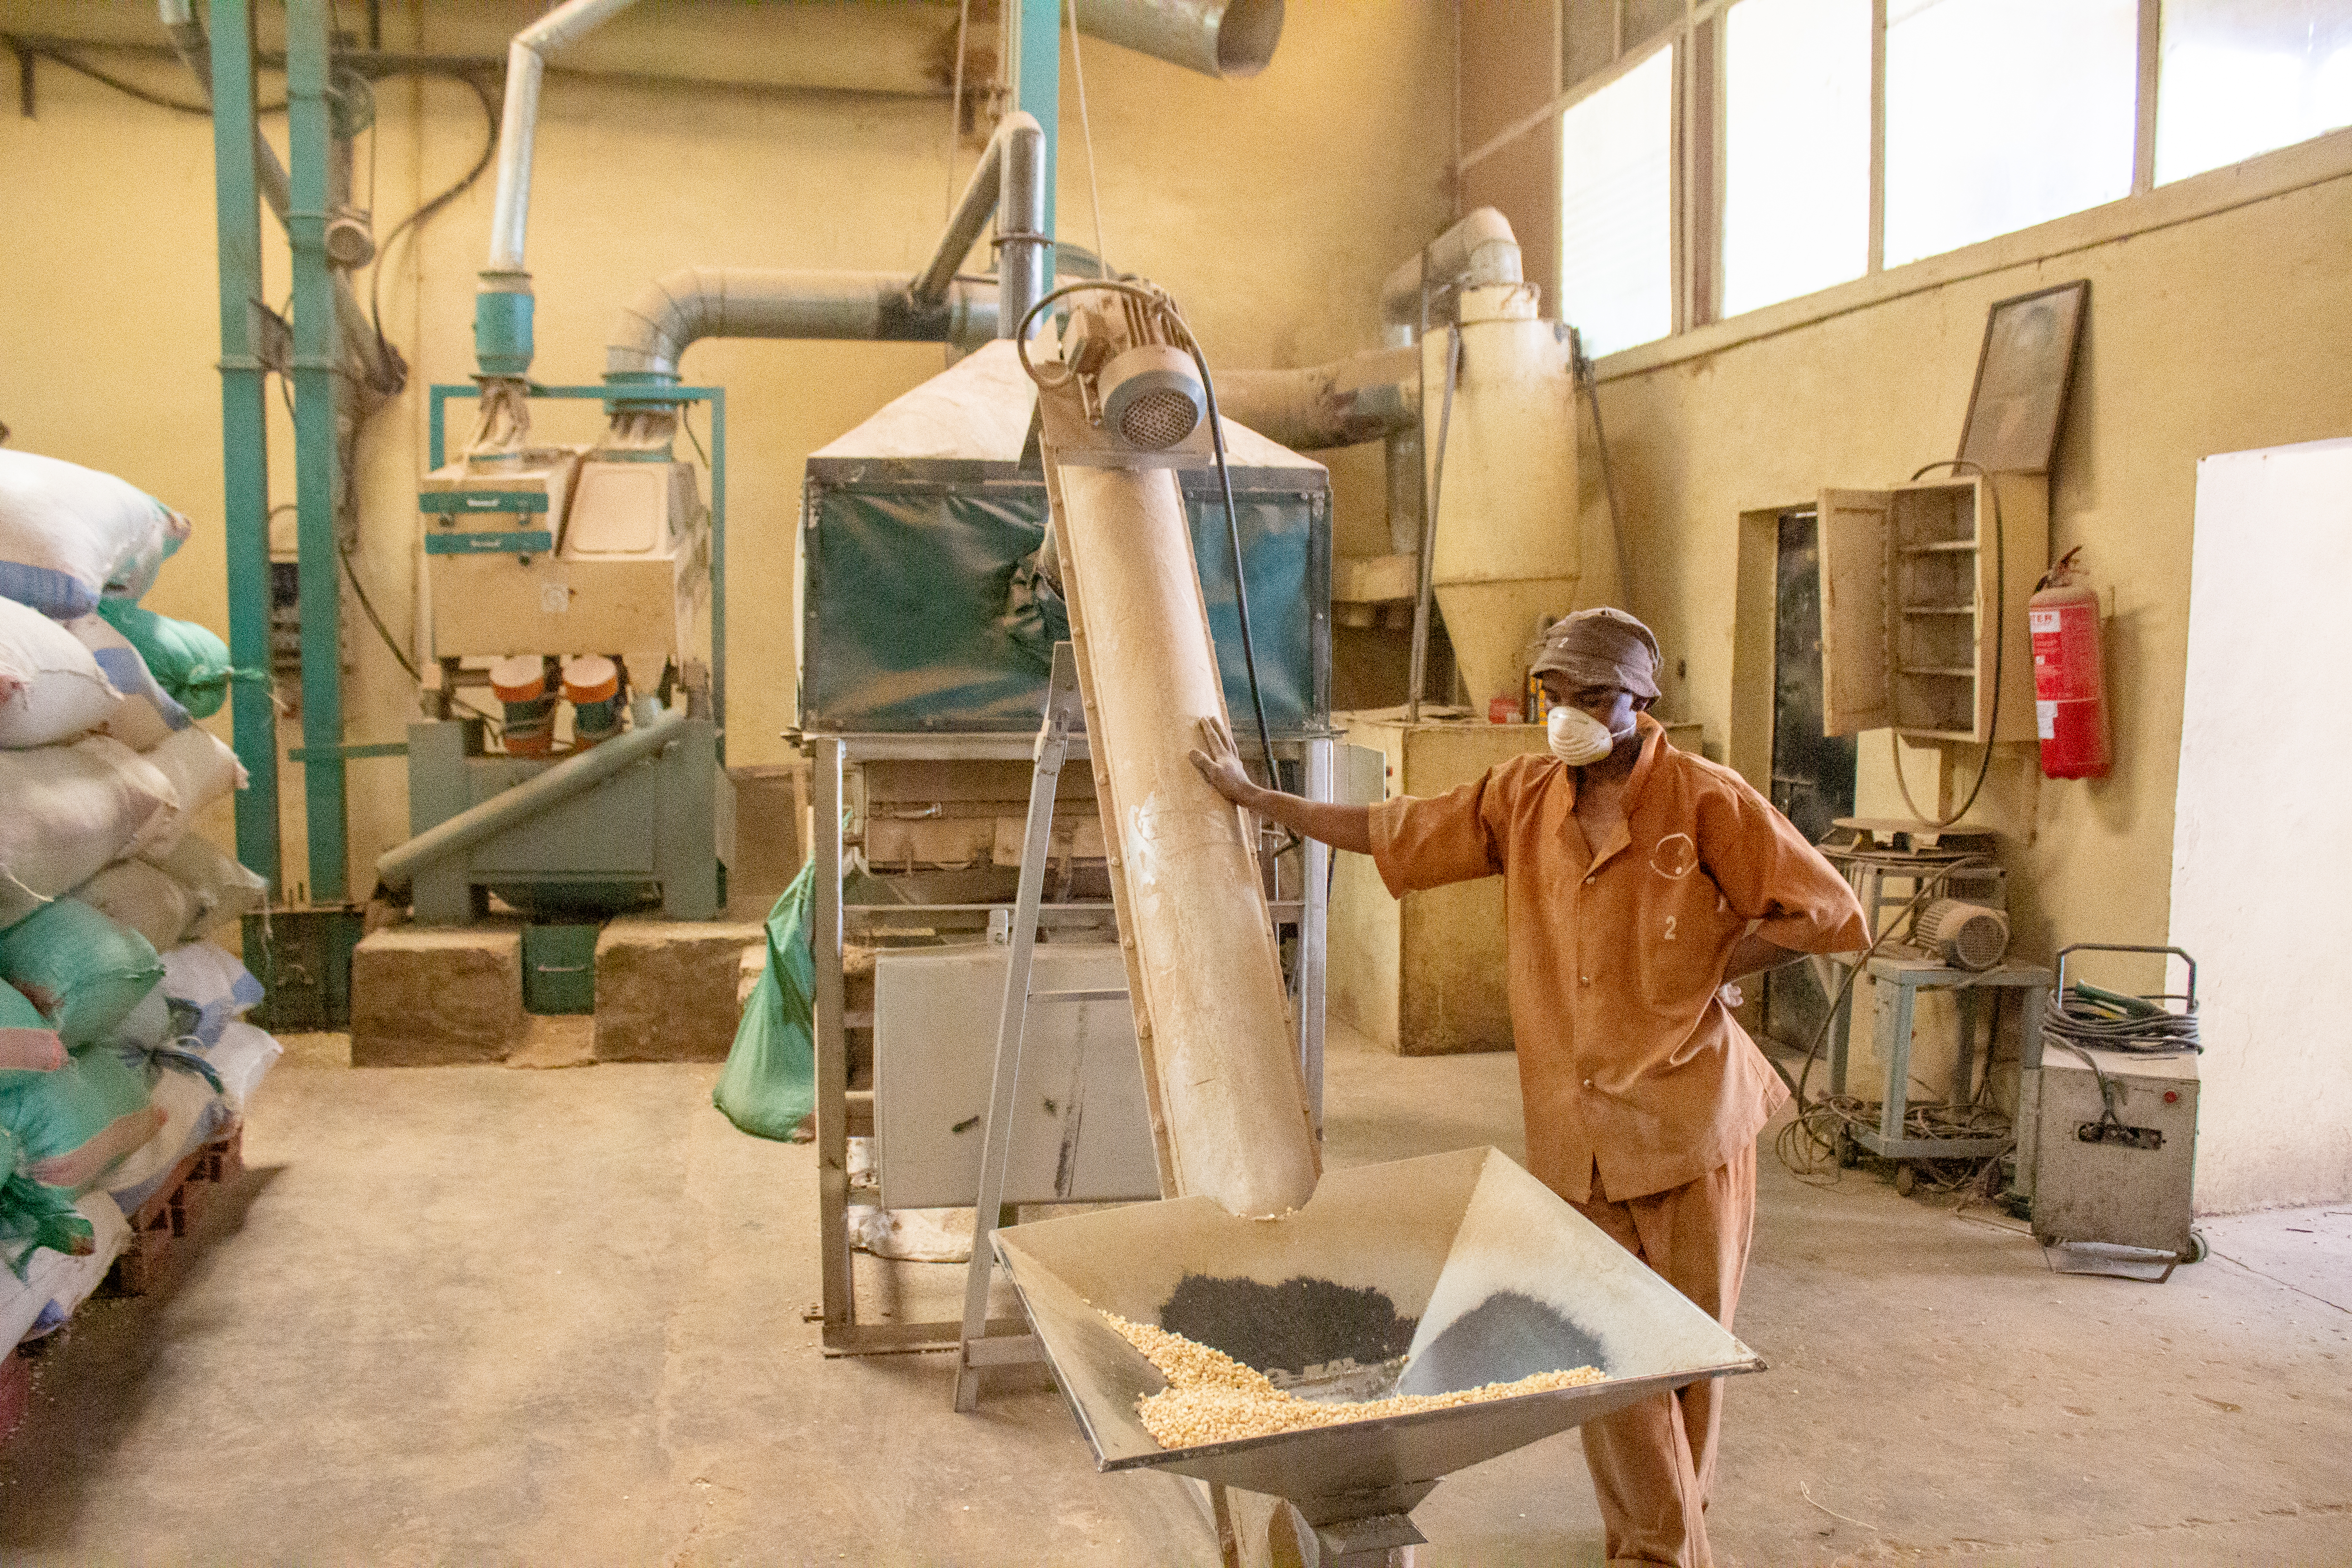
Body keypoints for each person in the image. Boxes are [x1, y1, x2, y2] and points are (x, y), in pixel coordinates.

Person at [1188, 606, 1866, 1568]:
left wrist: (1712, 965)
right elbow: (1397, 829)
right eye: (1557, 697)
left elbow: (1830, 915)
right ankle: (1662, 1550)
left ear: (1641, 698)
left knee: (1685, 1359)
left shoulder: (1707, 801)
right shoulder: (1523, 798)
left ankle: (1661, 1531)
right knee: (1607, 1359)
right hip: (1576, 1133)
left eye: (1596, 699)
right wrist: (1263, 802)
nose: (1572, 717)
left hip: (1688, 1124)